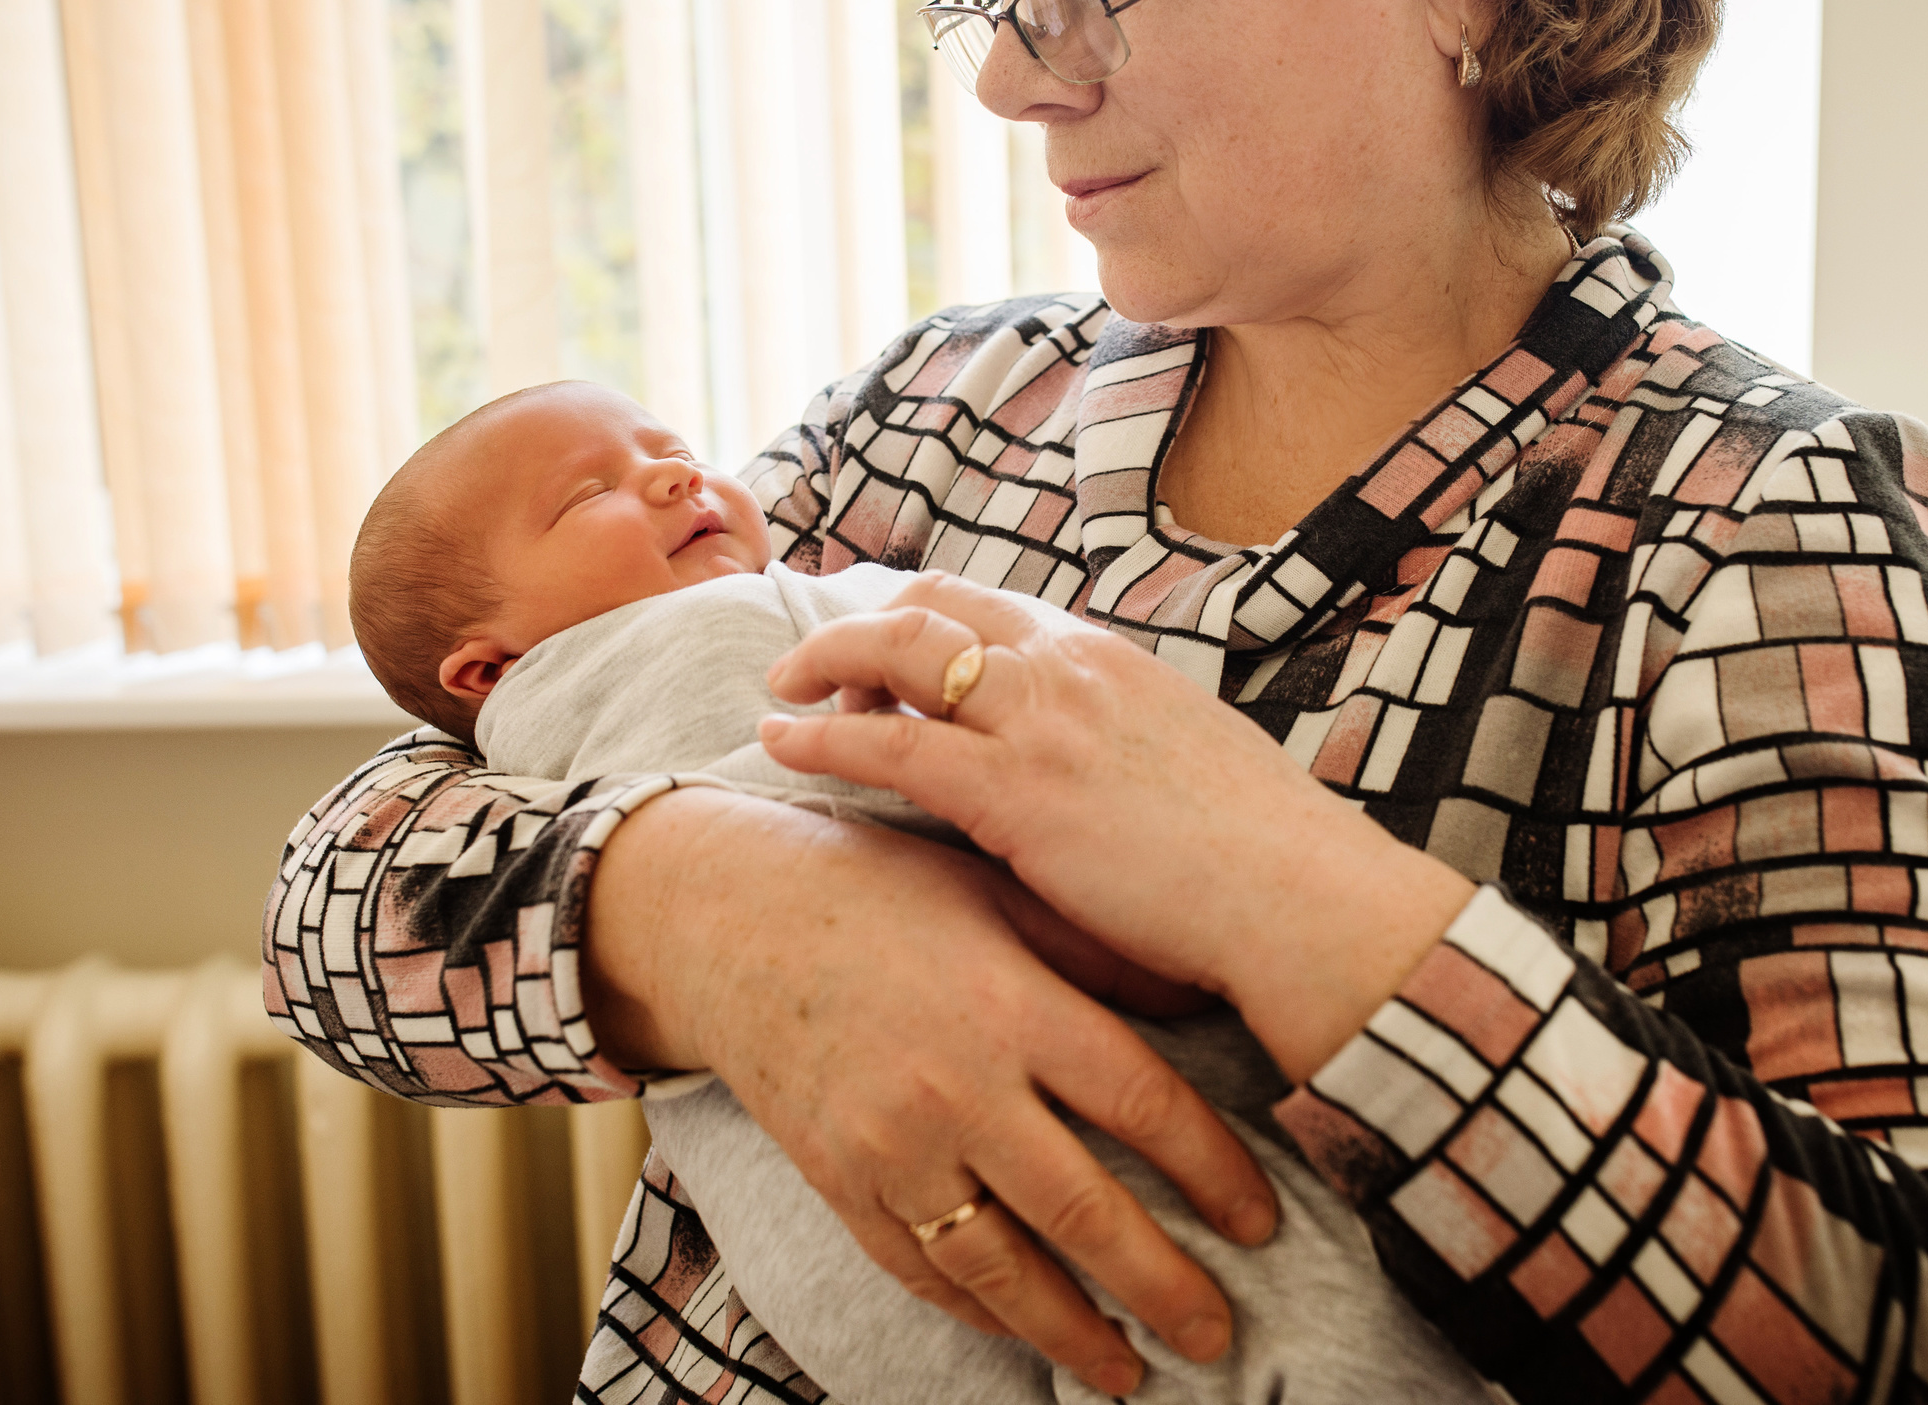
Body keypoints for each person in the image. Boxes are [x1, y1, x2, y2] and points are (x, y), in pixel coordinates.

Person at [264, 0, 1928, 1398]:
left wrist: (1293, 894)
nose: (1016, 72)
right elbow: (333, 899)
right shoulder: (944, 411)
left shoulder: (1752, 522)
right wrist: (714, 916)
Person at [342, 377, 1497, 1402]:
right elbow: (341, 888)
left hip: (858, 1235)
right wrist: (703, 903)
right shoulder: (667, 640)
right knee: (1266, 1311)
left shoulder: (730, 601)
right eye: (589, 489)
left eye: (669, 447)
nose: (674, 473)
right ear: (487, 669)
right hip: (893, 1178)